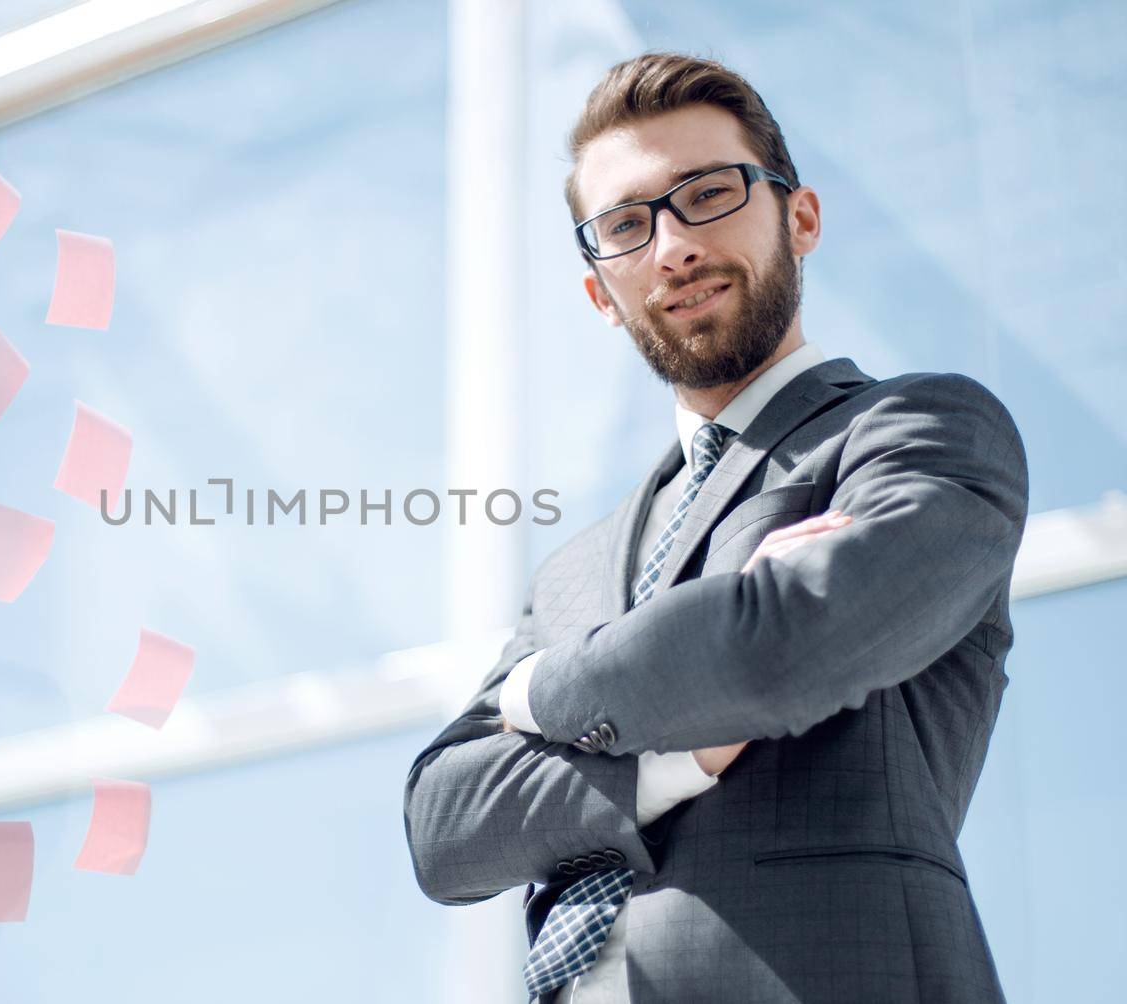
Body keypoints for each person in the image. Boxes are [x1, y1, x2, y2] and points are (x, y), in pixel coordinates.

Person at [403, 52, 1027, 1002]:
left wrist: (539, 689)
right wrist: (676, 753)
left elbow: (783, 652)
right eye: (625, 224)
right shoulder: (577, 571)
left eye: (707, 193)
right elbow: (444, 829)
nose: (671, 246)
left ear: (799, 216)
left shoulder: (922, 431)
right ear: (599, 294)